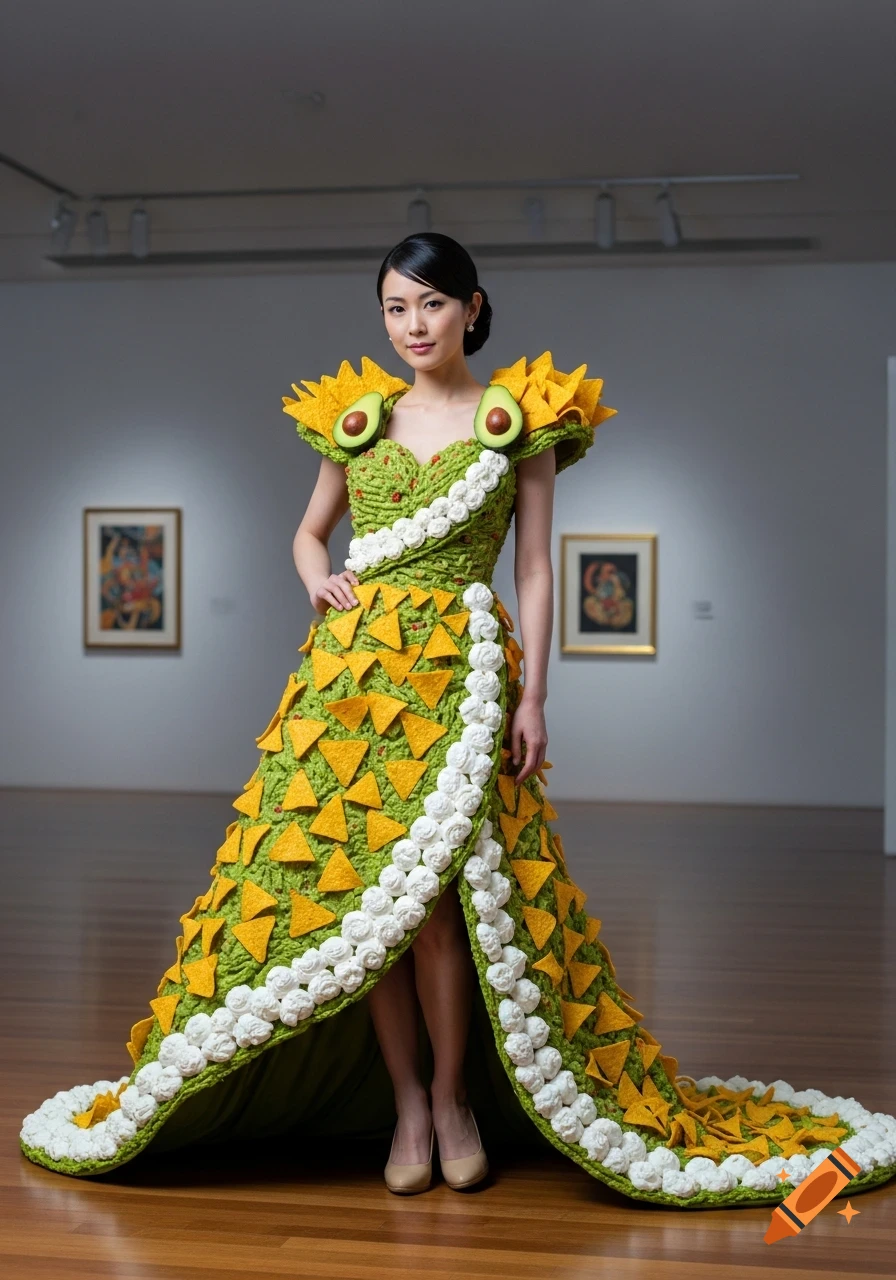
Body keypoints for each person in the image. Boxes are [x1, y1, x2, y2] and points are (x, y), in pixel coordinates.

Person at [20, 234, 896, 1208]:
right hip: (351, 689)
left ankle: (450, 1100)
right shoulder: (355, 421)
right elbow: (308, 533)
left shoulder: (518, 420)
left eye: (431, 304)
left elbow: (534, 567)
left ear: (472, 309)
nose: (413, 324)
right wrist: (320, 582)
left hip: (459, 680)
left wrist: (535, 694)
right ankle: (404, 1102)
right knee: (367, 912)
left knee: (437, 910)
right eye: (395, 307)